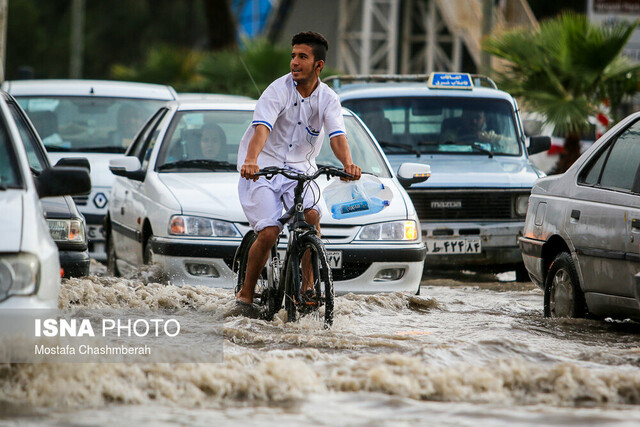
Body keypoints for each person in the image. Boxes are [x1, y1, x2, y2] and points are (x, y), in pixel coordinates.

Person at [231, 31, 361, 318]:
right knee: (269, 232)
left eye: (302, 56)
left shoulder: (328, 98)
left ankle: (308, 287)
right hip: (263, 169)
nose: (294, 62)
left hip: (301, 170)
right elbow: (261, 128)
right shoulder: (276, 90)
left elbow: (338, 136)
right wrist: (251, 160)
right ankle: (245, 295)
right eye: (293, 56)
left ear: (319, 65)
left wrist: (349, 163)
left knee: (311, 218)